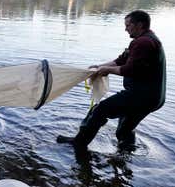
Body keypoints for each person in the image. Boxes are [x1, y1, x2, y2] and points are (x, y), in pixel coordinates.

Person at [58, 10, 166, 150]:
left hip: (140, 96)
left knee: (100, 110)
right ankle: (125, 156)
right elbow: (121, 60)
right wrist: (99, 67)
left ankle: (79, 143)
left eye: (128, 25)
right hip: (154, 98)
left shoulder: (143, 43)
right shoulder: (147, 39)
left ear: (139, 25)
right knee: (124, 130)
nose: (125, 28)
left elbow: (129, 69)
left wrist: (107, 70)